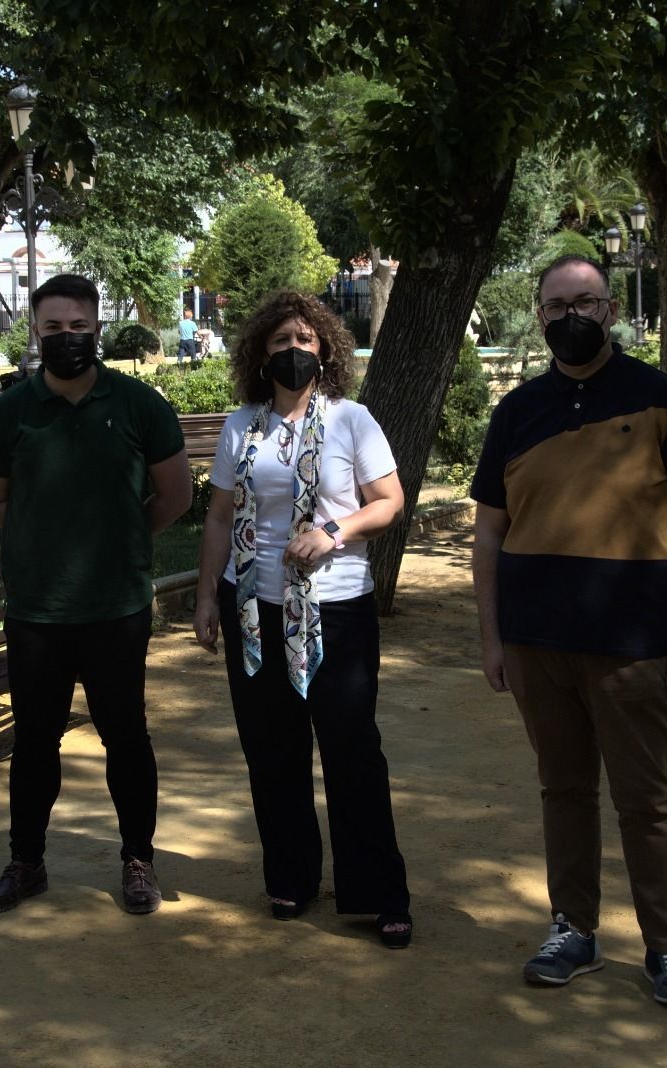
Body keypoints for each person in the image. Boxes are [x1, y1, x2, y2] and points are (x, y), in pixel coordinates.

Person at [470, 255, 667, 1007]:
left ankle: (665, 948)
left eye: (584, 302)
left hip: (634, 642)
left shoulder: (659, 401)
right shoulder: (516, 413)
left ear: (610, 310)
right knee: (564, 789)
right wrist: (491, 636)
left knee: (645, 800)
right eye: (556, 305)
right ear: (538, 314)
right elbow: (487, 534)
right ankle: (573, 929)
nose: (569, 317)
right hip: (537, 640)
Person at [192, 290, 413, 949]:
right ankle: (291, 874)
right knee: (272, 749)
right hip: (253, 611)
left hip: (335, 610)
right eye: (282, 341)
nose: (295, 350)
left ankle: (378, 893)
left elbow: (390, 501)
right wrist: (206, 596)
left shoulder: (352, 421)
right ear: (261, 352)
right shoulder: (243, 425)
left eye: (307, 340)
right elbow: (219, 516)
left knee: (352, 750)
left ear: (326, 350)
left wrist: (333, 532)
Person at [0, 273, 192, 915]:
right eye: (52, 329)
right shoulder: (9, 412)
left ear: (97, 326)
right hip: (37, 611)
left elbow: (174, 496)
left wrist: (118, 537)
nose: (66, 338)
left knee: (126, 739)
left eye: (77, 327)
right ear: (35, 333)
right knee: (34, 741)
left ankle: (138, 861)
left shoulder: (139, 404)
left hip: (115, 609)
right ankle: (26, 861)